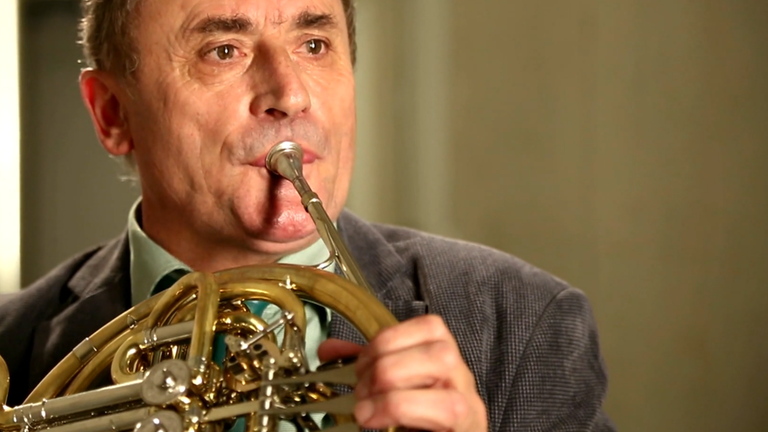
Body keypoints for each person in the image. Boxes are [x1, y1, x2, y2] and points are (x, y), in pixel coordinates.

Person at [0, 0, 616, 431]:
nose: (290, 94)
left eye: (314, 44)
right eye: (223, 50)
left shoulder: (525, 323)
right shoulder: (11, 345)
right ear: (112, 113)